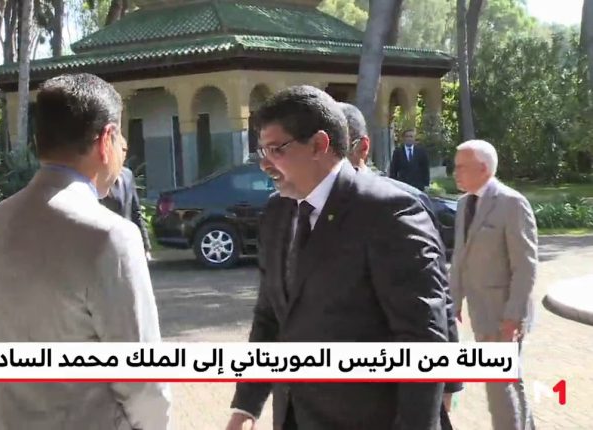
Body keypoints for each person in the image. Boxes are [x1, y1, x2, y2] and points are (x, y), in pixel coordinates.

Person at [0, 73, 171, 430]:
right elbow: (143, 383)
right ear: (106, 139)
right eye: (120, 137)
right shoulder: (111, 237)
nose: (123, 147)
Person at [226, 86, 449, 430]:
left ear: (319, 145)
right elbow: (270, 316)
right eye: (261, 151)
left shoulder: (388, 213)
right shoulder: (276, 213)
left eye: (276, 149)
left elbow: (423, 341)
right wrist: (246, 405)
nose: (265, 164)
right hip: (295, 417)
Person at [339, 101, 462, 429]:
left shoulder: (406, 203)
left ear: (362, 148)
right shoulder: (302, 208)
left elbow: (438, 297)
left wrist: (449, 381)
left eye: (339, 149)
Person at [450, 139, 537, 430]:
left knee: (498, 385)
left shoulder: (512, 203)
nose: (455, 172)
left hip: (504, 313)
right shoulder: (464, 204)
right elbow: (460, 256)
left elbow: (525, 265)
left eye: (461, 167)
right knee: (508, 379)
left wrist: (514, 316)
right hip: (480, 311)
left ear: (483, 168)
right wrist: (454, 301)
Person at [101, 164, 152, 260]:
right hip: (105, 245)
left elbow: (136, 212)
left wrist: (145, 246)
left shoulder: (127, 175)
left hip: (127, 244)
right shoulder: (96, 176)